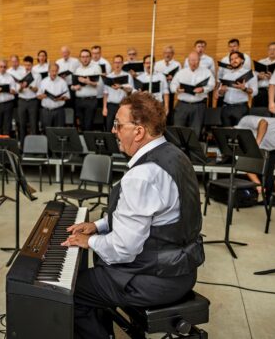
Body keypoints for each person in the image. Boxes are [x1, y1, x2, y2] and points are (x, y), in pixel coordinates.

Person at [62, 92, 204, 339]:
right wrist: (97, 226)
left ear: (138, 132)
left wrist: (89, 242)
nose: (114, 131)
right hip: (184, 271)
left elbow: (123, 248)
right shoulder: (176, 156)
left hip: (154, 280)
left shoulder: (142, 175)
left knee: (69, 292)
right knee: (96, 271)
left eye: (118, 124)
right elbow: (151, 217)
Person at [171, 51, 215, 138]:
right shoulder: (181, 72)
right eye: (191, 60)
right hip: (182, 105)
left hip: (198, 106)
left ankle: (193, 151)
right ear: (188, 61)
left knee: (196, 131)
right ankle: (178, 150)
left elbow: (212, 84)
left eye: (195, 60)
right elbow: (173, 84)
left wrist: (203, 89)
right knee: (178, 129)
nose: (193, 63)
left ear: (199, 61)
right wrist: (177, 89)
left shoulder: (206, 72)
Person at [236, 115, 275, 198]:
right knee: (266, 167)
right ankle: (271, 199)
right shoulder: (238, 148)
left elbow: (263, 123)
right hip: (273, 149)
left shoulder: (244, 121)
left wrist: (256, 144)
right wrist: (258, 185)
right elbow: (246, 167)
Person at [217, 51, 258, 126]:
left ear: (242, 60)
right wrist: (221, 91)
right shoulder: (226, 75)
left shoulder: (250, 74)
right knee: (226, 133)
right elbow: (219, 94)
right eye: (231, 59)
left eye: (236, 58)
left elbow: (255, 92)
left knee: (239, 134)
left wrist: (244, 88)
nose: (233, 60)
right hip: (226, 108)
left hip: (241, 108)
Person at [72, 49, 102, 131]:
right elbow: (72, 85)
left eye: (87, 57)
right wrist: (74, 87)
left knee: (88, 125)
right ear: (80, 58)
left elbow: (99, 84)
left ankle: (88, 143)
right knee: (80, 125)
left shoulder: (96, 68)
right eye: (83, 57)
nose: (85, 59)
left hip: (91, 101)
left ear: (90, 57)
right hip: (79, 100)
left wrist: (87, 82)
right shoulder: (77, 69)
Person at [103, 55, 133, 132]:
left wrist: (121, 87)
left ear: (122, 64)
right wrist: (104, 107)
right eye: (115, 62)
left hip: (122, 106)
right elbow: (105, 93)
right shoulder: (109, 77)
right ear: (113, 64)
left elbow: (131, 90)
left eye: (119, 62)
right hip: (111, 106)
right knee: (109, 126)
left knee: (118, 127)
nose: (117, 64)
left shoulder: (127, 76)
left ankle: (118, 142)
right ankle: (110, 143)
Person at [16, 56, 41, 144]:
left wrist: (29, 86)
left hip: (33, 101)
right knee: (22, 124)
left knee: (33, 124)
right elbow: (17, 91)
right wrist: (21, 87)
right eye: (26, 65)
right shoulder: (20, 75)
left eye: (29, 65)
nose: (27, 67)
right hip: (22, 101)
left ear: (32, 65)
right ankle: (23, 146)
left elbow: (38, 90)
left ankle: (34, 147)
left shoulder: (37, 75)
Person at [37, 63, 70, 128]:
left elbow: (67, 97)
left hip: (59, 111)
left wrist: (60, 98)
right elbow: (38, 96)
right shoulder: (43, 81)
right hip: (46, 111)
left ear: (58, 71)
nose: (54, 73)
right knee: (46, 131)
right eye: (52, 71)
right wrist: (42, 96)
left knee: (59, 132)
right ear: (48, 71)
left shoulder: (62, 82)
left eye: (56, 71)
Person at [154, 45, 181, 123]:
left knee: (169, 108)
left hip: (170, 89)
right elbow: (155, 76)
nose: (167, 54)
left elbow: (179, 77)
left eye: (169, 53)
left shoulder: (177, 64)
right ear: (163, 54)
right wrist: (163, 78)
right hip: (159, 90)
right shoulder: (158, 64)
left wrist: (173, 78)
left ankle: (168, 124)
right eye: (166, 53)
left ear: (173, 54)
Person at [0, 59, 17, 135]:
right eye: (1, 67)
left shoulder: (10, 77)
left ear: (7, 67)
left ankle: (6, 145)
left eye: (4, 67)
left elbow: (14, 91)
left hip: (8, 104)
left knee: (7, 126)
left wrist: (6, 89)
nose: (2, 68)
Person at [254, 42, 275, 108]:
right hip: (260, 92)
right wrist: (258, 77)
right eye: (270, 49)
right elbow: (253, 78)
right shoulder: (261, 62)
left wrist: (272, 78)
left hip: (274, 93)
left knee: (272, 115)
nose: (272, 51)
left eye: (274, 49)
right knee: (257, 114)